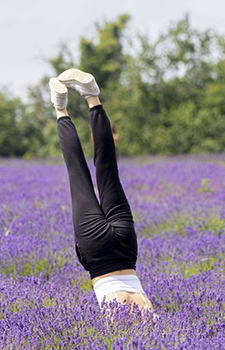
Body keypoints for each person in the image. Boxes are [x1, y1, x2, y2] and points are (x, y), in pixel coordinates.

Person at [49, 68, 153, 314]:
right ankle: (60, 107)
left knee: (108, 168)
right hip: (97, 252)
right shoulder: (118, 317)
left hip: (126, 247)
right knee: (78, 173)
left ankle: (91, 96)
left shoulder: (149, 311)